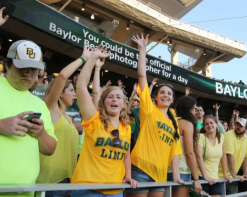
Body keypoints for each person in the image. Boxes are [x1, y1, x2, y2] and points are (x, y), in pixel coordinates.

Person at [71, 45, 137, 197]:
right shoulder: (94, 120)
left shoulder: (126, 128)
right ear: (104, 102)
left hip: (115, 191)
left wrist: (128, 175)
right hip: (88, 189)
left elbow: (126, 156)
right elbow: (81, 87)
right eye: (110, 96)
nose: (114, 99)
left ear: (123, 104)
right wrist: (93, 58)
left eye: (118, 97)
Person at [127, 33, 184, 197]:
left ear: (172, 100)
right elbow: (141, 77)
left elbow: (175, 151)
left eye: (169, 94)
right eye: (162, 93)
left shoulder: (174, 121)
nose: (166, 95)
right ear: (156, 97)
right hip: (140, 169)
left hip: (160, 175)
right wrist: (143, 50)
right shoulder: (148, 109)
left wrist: (177, 176)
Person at [0, 40, 57, 197]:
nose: (27, 73)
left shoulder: (39, 104)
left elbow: (50, 149)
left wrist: (40, 134)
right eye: (22, 66)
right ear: (7, 64)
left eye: (33, 69)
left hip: (26, 192)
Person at [36, 44, 93, 196]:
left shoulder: (67, 117)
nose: (74, 94)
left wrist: (94, 62)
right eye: (71, 90)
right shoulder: (50, 109)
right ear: (60, 93)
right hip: (50, 181)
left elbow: (84, 87)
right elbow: (62, 76)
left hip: (67, 179)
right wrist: (83, 59)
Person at [167, 96, 202, 197]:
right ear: (190, 108)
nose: (195, 111)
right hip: (182, 170)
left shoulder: (171, 121)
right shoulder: (187, 124)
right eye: (195, 108)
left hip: (166, 169)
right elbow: (189, 153)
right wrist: (196, 179)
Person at [195, 115, 232, 197]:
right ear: (204, 127)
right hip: (201, 177)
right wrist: (205, 176)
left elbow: (223, 157)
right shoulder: (200, 137)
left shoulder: (221, 137)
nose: (209, 125)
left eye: (211, 123)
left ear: (216, 124)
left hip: (215, 178)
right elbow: (198, 157)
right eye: (206, 124)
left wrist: (225, 175)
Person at [218, 118, 247, 195]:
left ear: (246, 129)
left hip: (231, 178)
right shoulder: (228, 135)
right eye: (237, 125)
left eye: (241, 126)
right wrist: (234, 175)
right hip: (218, 176)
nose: (238, 127)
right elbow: (229, 155)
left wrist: (245, 174)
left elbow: (246, 158)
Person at [126, 78, 157, 151]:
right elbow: (127, 111)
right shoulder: (138, 110)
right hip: (136, 141)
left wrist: (152, 85)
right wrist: (131, 99)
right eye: (151, 101)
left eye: (153, 101)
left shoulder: (157, 113)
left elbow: (147, 97)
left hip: (148, 143)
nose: (151, 102)